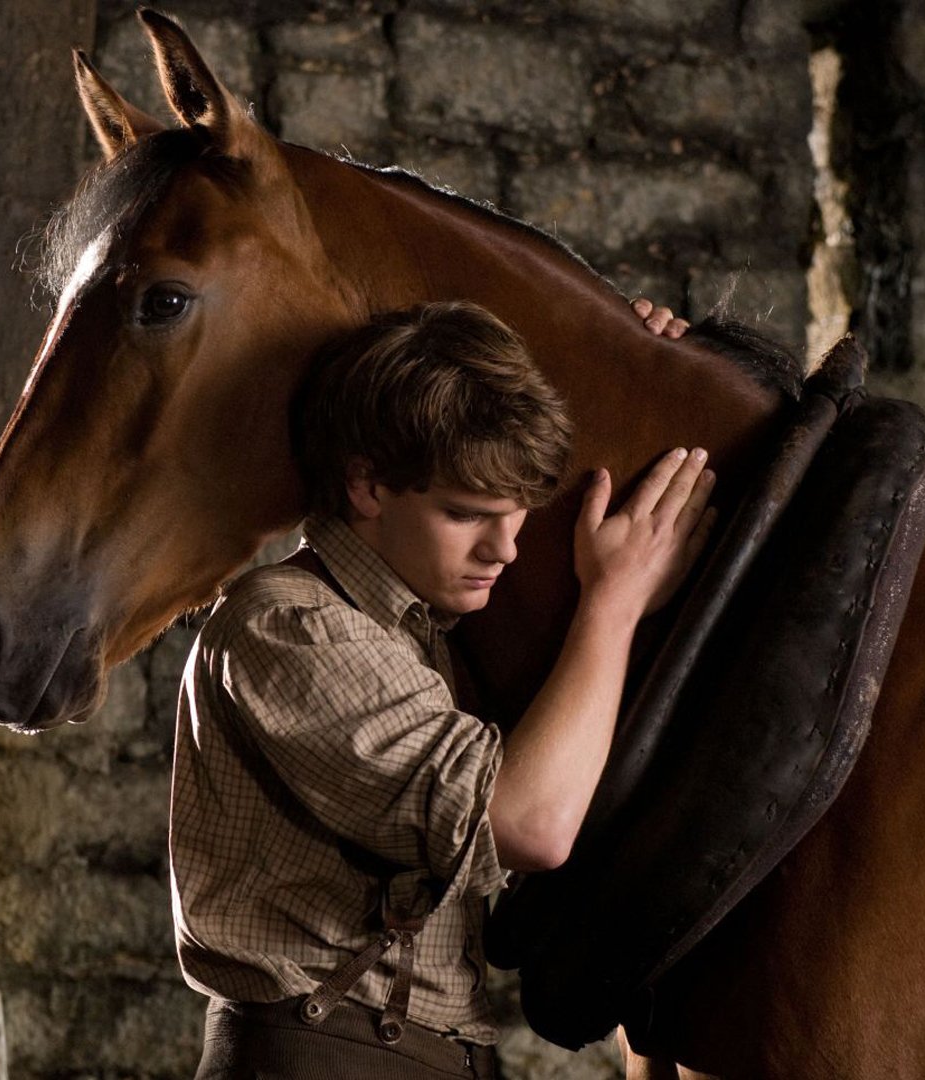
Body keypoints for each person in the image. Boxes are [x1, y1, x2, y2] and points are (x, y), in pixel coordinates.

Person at [170, 300, 715, 1078]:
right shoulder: (289, 626)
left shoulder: (424, 636)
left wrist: (642, 376)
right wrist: (614, 600)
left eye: (516, 514)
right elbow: (528, 824)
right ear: (367, 485)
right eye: (466, 515)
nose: (504, 548)